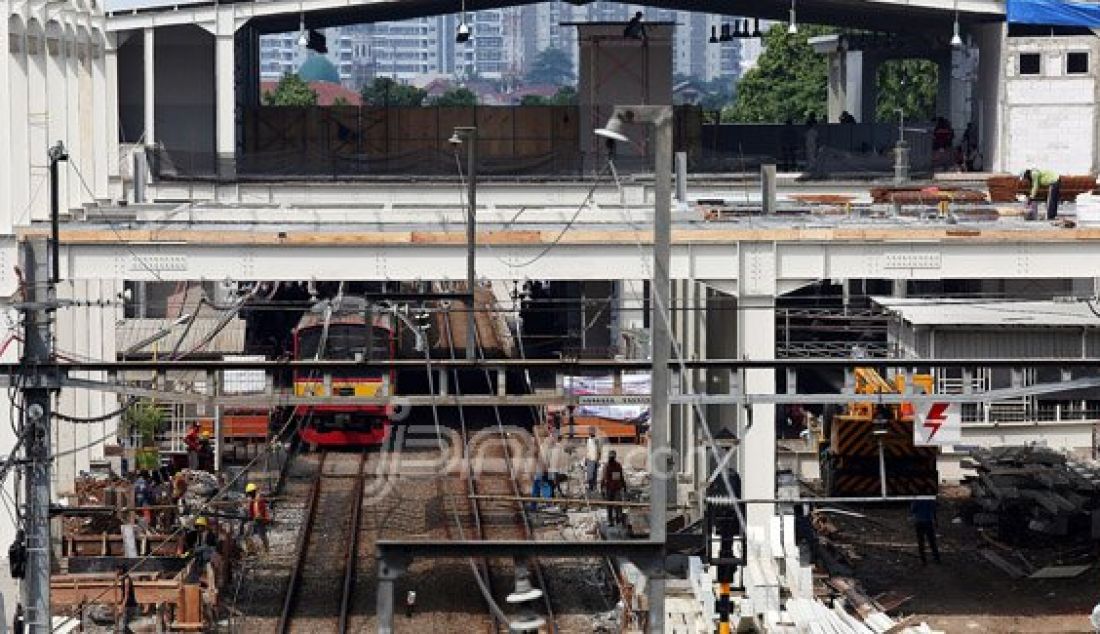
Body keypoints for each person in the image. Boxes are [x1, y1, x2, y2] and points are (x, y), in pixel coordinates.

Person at [910, 498, 941, 565]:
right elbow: (933, 509)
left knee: (921, 541)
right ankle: (936, 558)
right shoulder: (929, 498)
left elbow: (913, 509)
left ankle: (923, 559)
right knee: (932, 541)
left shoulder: (917, 498)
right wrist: (935, 521)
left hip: (919, 521)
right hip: (928, 521)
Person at [601, 450, 626, 526]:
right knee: (609, 506)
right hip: (609, 488)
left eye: (612, 457)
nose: (611, 458)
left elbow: (619, 477)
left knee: (617, 505)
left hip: (615, 488)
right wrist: (602, 488)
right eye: (610, 457)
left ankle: (618, 520)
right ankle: (611, 520)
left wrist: (624, 486)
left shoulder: (617, 466)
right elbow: (604, 478)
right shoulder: (607, 466)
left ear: (614, 457)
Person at [245, 482, 271, 554]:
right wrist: (250, 517)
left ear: (253, 492)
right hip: (255, 519)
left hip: (261, 520)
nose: (249, 495)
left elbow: (263, 510)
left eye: (250, 493)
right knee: (247, 534)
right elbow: (251, 510)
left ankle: (267, 550)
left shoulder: (259, 499)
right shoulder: (252, 500)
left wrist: (260, 517)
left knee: (262, 535)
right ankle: (251, 550)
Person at [116, 565, 138, 633]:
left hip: (129, 604)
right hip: (126, 603)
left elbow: (126, 594)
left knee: (124, 625)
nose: (116, 571)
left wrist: (122, 606)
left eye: (118, 570)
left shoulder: (127, 580)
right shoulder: (123, 579)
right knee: (124, 626)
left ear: (122, 570)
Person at [584, 427, 602, 493]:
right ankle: (590, 487)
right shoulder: (588, 440)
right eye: (590, 432)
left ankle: (594, 487)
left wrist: (598, 459)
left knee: (594, 474)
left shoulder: (597, 440)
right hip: (589, 459)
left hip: (595, 459)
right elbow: (587, 450)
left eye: (592, 432)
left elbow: (599, 450)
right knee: (590, 474)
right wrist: (586, 458)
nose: (591, 433)